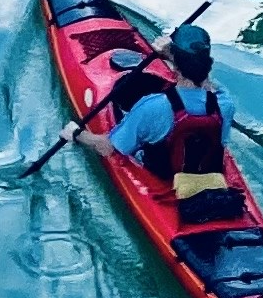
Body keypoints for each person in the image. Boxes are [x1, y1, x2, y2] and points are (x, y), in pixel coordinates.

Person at [90, 22, 236, 227]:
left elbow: (107, 148)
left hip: (164, 181)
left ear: (175, 62)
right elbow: (206, 86)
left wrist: (76, 135)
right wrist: (174, 56)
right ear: (208, 62)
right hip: (211, 181)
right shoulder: (225, 104)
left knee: (136, 140)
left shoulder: (152, 107)